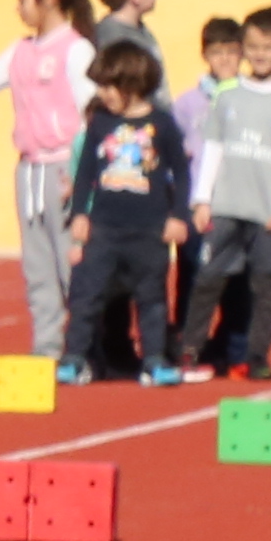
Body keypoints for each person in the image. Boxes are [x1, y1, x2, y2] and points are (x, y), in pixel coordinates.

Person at [172, 13, 271, 383]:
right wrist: (202, 200)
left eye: (269, 47)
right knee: (208, 279)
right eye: (254, 47)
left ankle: (255, 357)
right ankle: (190, 351)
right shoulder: (227, 95)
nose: (261, 54)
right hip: (225, 207)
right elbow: (212, 148)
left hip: (268, 213)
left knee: (264, 287)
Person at [56, 40, 190, 384]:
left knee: (152, 298)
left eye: (108, 86)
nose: (103, 94)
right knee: (86, 294)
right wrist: (79, 215)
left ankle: (155, 360)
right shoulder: (100, 124)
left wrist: (179, 216)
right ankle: (73, 358)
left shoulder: (163, 124)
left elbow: (183, 173)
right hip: (103, 228)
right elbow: (85, 172)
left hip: (149, 229)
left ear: (132, 85)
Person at [0, 0, 92, 359]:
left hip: (62, 171)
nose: (19, 8)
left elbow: (91, 112)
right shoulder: (20, 51)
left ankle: (85, 346)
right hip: (30, 171)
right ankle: (47, 347)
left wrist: (78, 171)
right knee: (38, 267)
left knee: (72, 262)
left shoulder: (77, 49)